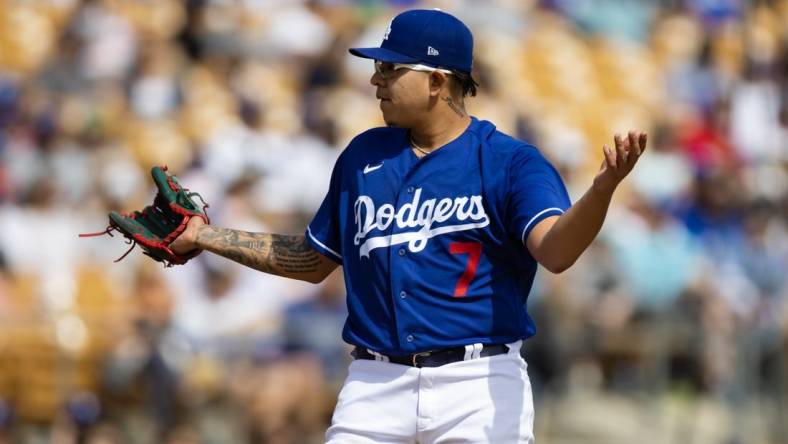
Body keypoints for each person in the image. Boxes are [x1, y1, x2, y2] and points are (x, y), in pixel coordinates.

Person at [171, 9, 647, 443]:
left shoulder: (509, 162)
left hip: (477, 382)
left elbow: (556, 252)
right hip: (374, 383)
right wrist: (204, 236)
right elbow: (313, 259)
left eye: (391, 69)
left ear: (438, 81)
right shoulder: (363, 156)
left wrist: (600, 191)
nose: (377, 79)